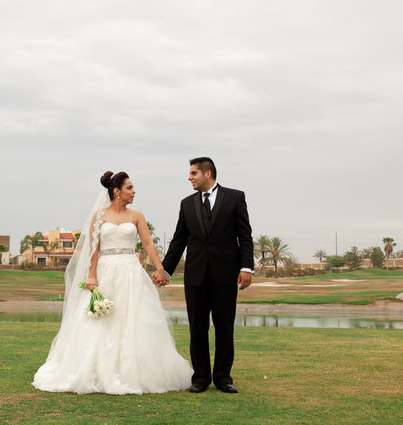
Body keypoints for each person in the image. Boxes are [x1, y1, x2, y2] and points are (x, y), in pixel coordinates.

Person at [32, 171, 192, 394]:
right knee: (100, 320)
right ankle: (94, 368)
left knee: (133, 318)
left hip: (130, 271)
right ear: (117, 191)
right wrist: (92, 275)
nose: (134, 191)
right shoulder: (99, 216)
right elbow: (93, 249)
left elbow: (147, 243)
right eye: (130, 188)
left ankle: (136, 372)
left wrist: (160, 268)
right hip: (105, 271)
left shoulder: (137, 215)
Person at [158, 157, 254, 394]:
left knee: (224, 329)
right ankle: (200, 378)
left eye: (193, 173)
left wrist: (246, 268)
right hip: (195, 277)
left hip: (225, 276)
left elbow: (245, 235)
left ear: (207, 173)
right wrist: (165, 269)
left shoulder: (235, 197)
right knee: (197, 329)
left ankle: (223, 378)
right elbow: (179, 240)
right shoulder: (186, 203)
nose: (189, 178)